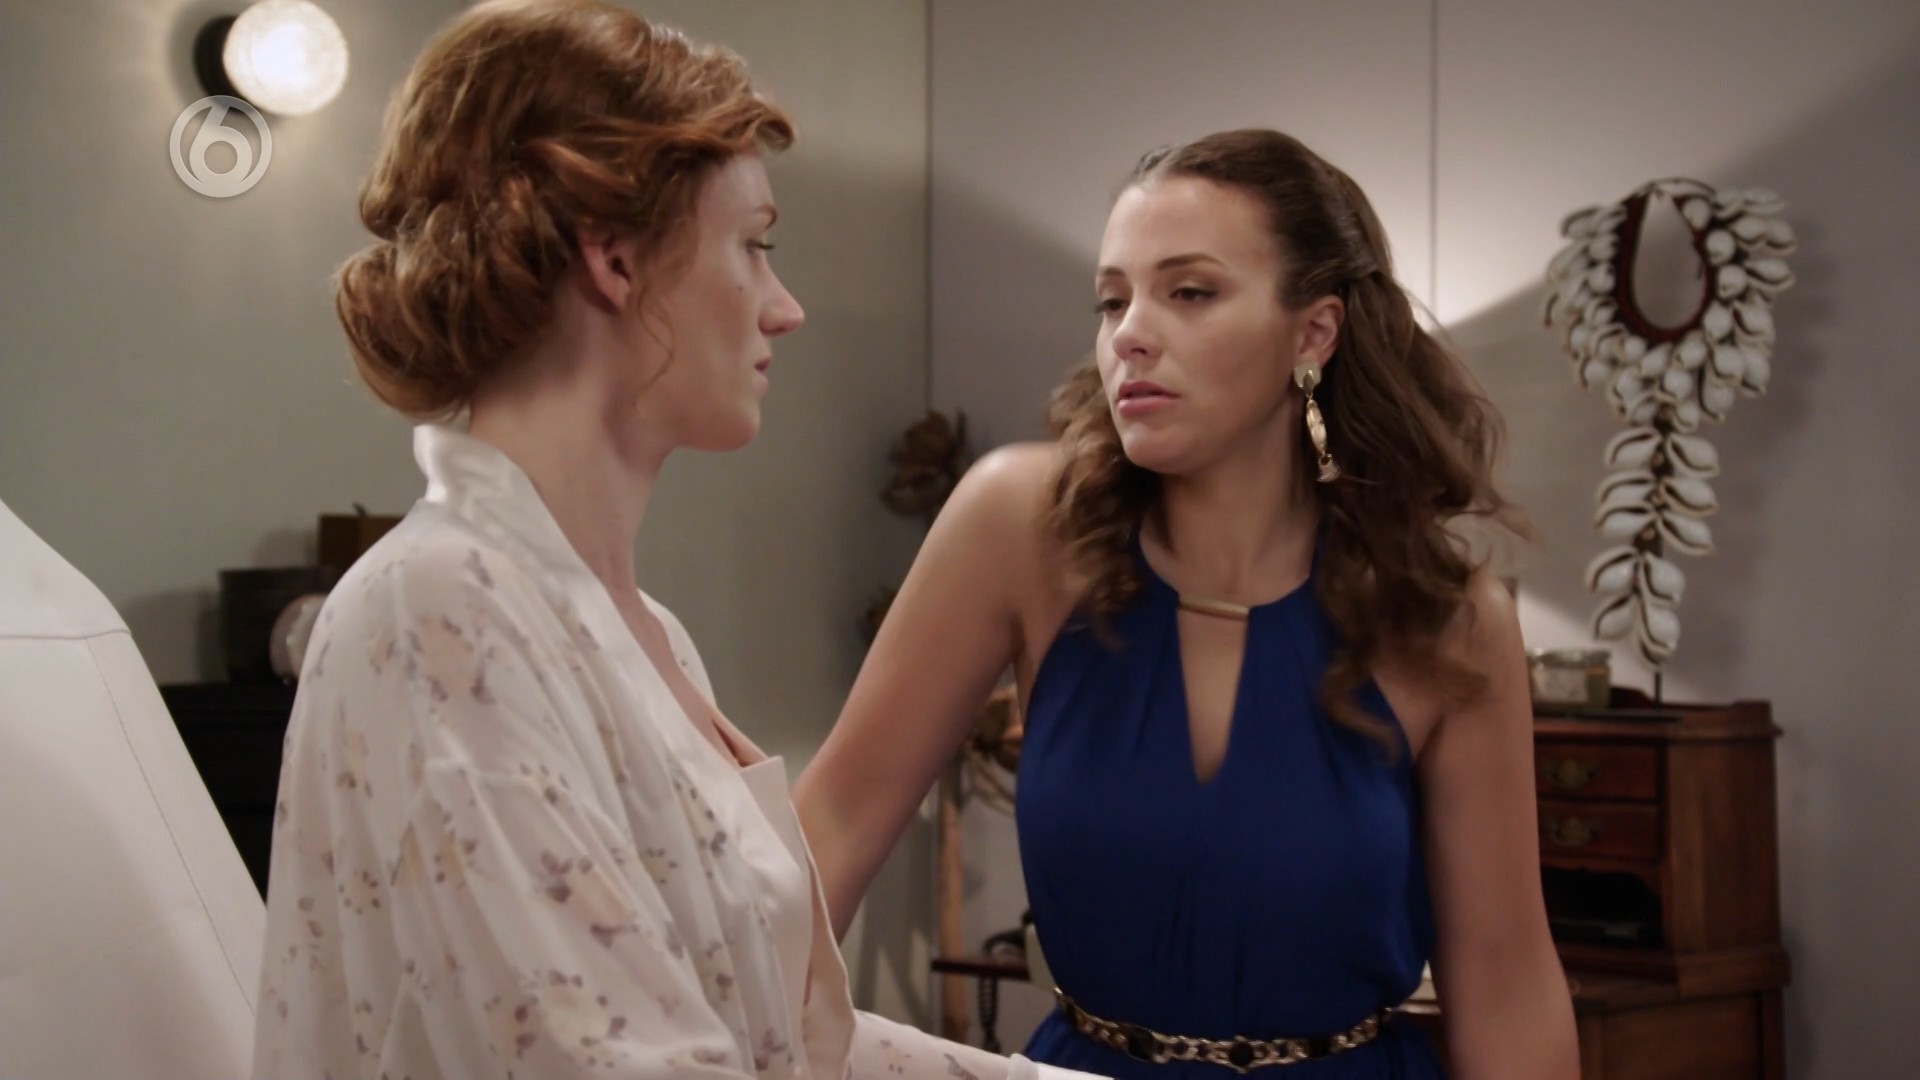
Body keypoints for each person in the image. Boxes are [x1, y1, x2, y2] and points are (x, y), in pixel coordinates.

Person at [251, 4, 1105, 1078]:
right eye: (754, 246)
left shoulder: (641, 633)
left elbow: (783, 1038)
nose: (784, 308)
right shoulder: (441, 613)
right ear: (614, 259)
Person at [796, 129, 1580, 1078]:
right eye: (1112, 299)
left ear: (1313, 333)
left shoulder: (1444, 617)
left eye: (1191, 292)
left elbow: (1507, 988)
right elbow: (832, 829)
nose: (1130, 333)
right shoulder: (1018, 524)